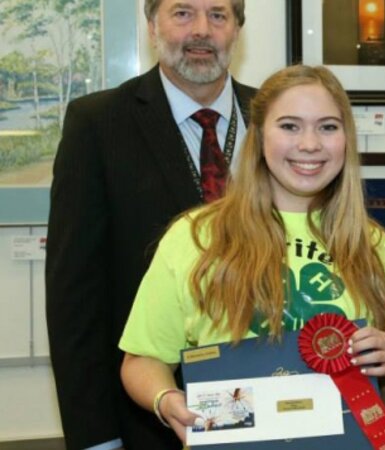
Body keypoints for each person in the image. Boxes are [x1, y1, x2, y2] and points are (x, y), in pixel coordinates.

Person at [118, 64, 385, 444]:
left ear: (346, 139)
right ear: (258, 137)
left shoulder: (374, 247)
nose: (310, 144)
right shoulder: (195, 238)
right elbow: (142, 359)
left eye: (328, 127)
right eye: (290, 126)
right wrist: (165, 399)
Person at [45, 1, 255, 449]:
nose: (202, 30)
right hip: (146, 418)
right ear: (152, 26)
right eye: (183, 13)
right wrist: (96, 438)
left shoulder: (276, 118)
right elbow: (73, 297)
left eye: (218, 15)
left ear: (237, 29)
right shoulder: (97, 124)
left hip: (273, 401)